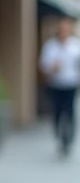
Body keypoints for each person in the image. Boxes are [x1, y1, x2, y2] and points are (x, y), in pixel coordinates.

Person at [39, 16, 80, 156]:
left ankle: (68, 139)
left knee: (69, 112)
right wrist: (51, 68)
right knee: (57, 112)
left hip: (71, 83)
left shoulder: (75, 46)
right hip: (56, 84)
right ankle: (59, 136)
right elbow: (43, 65)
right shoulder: (50, 46)